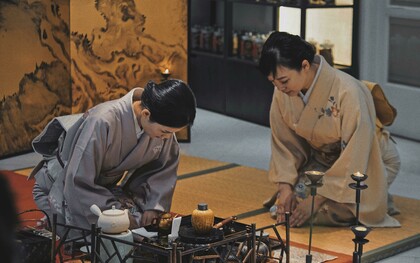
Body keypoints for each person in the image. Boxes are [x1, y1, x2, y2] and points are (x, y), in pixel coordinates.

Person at [258, 31, 400, 228]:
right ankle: (367, 194)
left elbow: (356, 155)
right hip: (324, 160)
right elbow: (284, 142)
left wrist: (315, 202)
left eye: (283, 81)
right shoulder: (282, 89)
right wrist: (285, 188)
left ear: (305, 65)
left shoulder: (348, 91)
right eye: (273, 82)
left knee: (327, 212)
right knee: (289, 205)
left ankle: (377, 192)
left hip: (369, 160)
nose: (279, 88)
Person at [29, 79, 196, 232]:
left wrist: (153, 206)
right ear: (146, 114)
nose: (167, 138)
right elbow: (77, 180)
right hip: (62, 187)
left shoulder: (160, 127)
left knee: (141, 224)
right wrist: (119, 215)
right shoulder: (103, 120)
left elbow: (162, 170)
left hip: (103, 189)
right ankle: (51, 220)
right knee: (104, 236)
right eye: (165, 132)